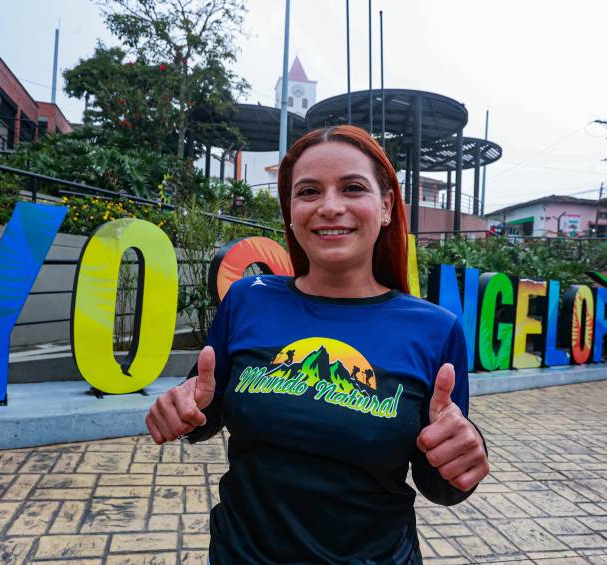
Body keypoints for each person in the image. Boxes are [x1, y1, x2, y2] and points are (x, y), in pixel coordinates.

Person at [145, 125, 490, 564]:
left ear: (386, 206)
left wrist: (463, 455)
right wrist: (181, 411)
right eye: (308, 192)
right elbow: (204, 410)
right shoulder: (248, 300)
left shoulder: (435, 329)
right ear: (290, 211)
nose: (330, 207)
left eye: (352, 188)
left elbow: (439, 483)